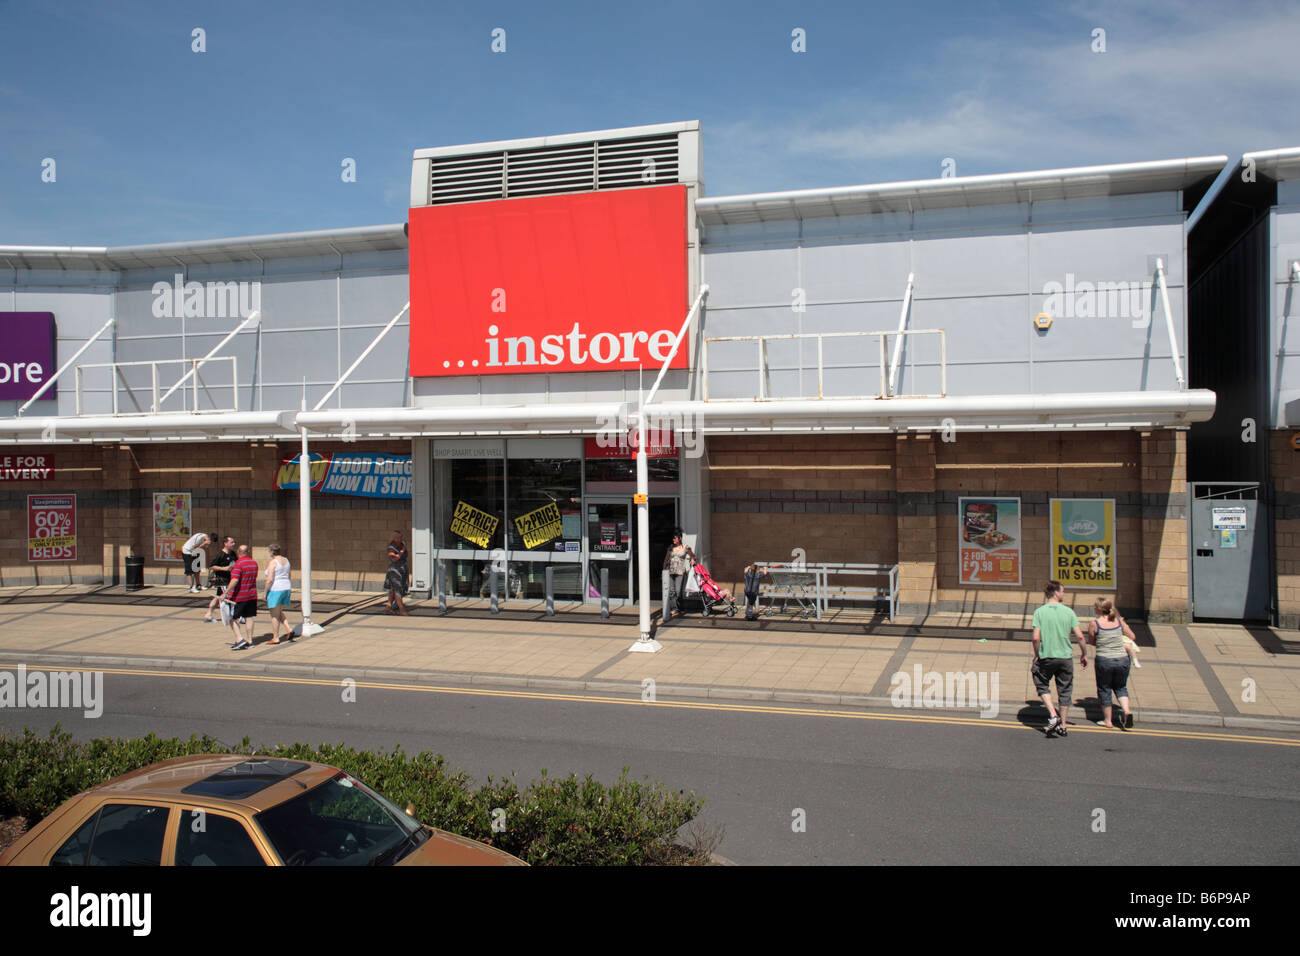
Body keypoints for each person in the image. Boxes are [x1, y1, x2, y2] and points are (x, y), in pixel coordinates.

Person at [1031, 580, 1088, 737]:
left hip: (1047, 656)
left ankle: (1053, 715)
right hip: (1065, 657)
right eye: (1062, 591)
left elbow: (1036, 638)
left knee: (1041, 682)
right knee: (1065, 690)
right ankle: (1063, 725)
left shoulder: (1040, 612)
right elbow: (1080, 636)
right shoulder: (1069, 612)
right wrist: (1084, 654)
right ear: (1056, 592)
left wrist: (1037, 654)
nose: (1063, 594)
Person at [1088, 598, 1136, 729]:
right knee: (1121, 687)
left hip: (1105, 659)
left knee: (1105, 688)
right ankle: (1126, 711)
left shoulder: (1095, 623)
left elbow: (1091, 641)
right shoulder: (1119, 621)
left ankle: (1108, 721)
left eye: (1094, 606)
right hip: (1122, 659)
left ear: (1099, 609)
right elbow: (1132, 636)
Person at [225, 544, 259, 650]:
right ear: (248, 552)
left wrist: (226, 592)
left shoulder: (238, 564)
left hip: (240, 596)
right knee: (249, 617)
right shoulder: (254, 563)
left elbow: (235, 580)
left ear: (238, 552)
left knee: (232, 618)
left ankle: (239, 639)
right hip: (252, 595)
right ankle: (250, 641)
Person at [662, 529, 696, 619]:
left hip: (680, 572)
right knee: (671, 592)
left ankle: (681, 607)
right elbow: (666, 559)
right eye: (673, 538)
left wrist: (692, 559)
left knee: (678, 591)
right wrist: (663, 570)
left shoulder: (685, 547)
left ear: (680, 538)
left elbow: (693, 555)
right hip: (671, 571)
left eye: (675, 538)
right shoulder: (671, 547)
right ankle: (674, 608)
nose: (673, 540)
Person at [202, 536, 237, 622]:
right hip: (222, 580)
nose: (234, 544)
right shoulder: (220, 554)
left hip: (230, 579)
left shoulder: (233, 554)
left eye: (234, 542)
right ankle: (231, 616)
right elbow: (211, 566)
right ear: (225, 543)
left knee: (218, 597)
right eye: (231, 542)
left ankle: (209, 614)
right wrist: (223, 568)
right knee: (223, 597)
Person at [264, 543, 293, 644]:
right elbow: (289, 575)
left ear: (272, 552)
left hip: (276, 589)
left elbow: (269, 579)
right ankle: (289, 629)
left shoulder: (273, 562)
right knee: (279, 611)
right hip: (286, 587)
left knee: (274, 615)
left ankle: (275, 637)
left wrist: (265, 592)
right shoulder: (286, 560)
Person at [385, 530, 410, 615]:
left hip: (402, 569)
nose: (401, 539)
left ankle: (388, 606)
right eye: (399, 537)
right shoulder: (391, 547)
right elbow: (394, 558)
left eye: (401, 537)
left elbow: (406, 555)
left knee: (393, 589)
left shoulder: (402, 545)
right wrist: (402, 551)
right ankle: (401, 609)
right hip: (395, 571)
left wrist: (404, 549)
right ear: (395, 538)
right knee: (397, 589)